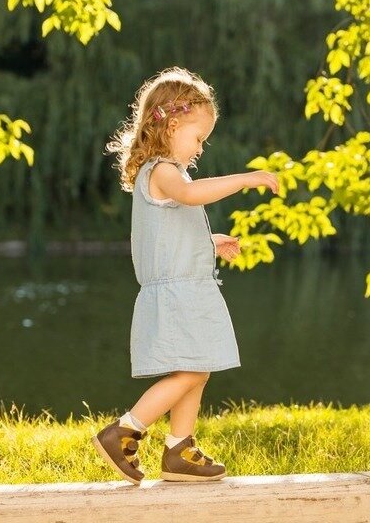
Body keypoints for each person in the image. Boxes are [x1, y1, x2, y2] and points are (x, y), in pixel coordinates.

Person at [93, 67, 278, 485]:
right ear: (171, 124)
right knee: (192, 370)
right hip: (178, 294)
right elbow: (193, 195)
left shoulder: (165, 174)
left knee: (199, 366)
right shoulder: (162, 171)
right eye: (198, 137)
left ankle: (180, 448)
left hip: (186, 288)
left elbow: (168, 237)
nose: (199, 148)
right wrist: (246, 179)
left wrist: (208, 241)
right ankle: (125, 430)